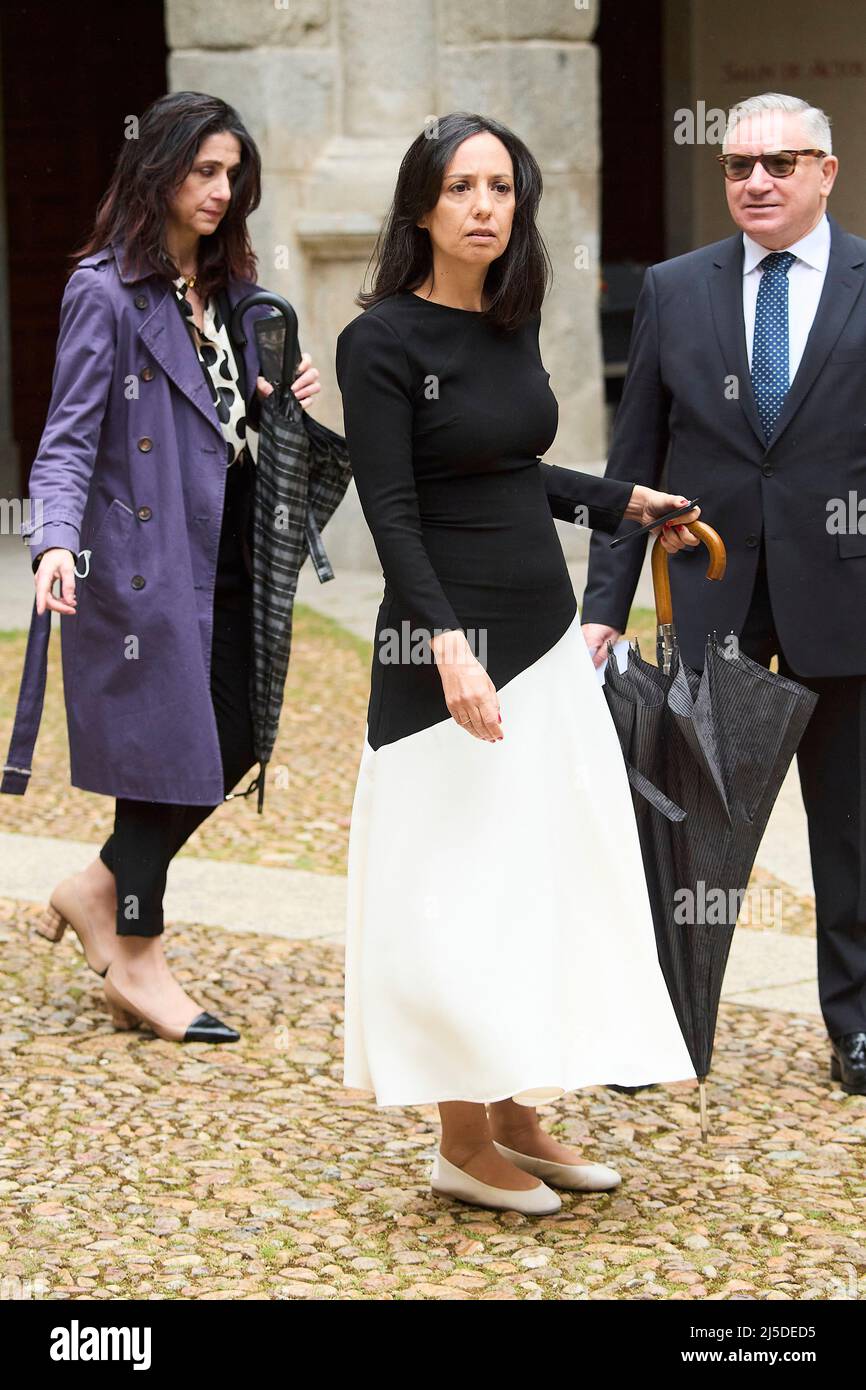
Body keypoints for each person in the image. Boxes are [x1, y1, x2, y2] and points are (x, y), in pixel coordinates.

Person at [334, 111, 699, 1217]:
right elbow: (392, 511)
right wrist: (444, 647)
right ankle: (457, 1134)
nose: (485, 206)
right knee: (452, 890)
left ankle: (516, 1110)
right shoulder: (378, 342)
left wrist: (618, 500)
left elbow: (511, 467)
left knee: (540, 877)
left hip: (542, 648)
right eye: (461, 188)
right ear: (419, 209)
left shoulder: (510, 316)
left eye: (500, 187)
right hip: (444, 662)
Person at [2, 92, 321, 1043]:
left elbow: (234, 429)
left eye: (232, 174)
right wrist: (55, 539)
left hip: (230, 553)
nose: (220, 191)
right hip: (143, 562)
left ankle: (97, 886)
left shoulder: (240, 297)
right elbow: (66, 440)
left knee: (233, 740)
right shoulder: (105, 289)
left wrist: (279, 400)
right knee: (168, 757)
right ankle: (137, 952)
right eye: (202, 171)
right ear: (159, 173)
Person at [581, 92, 866, 1096]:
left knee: (852, 825)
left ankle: (856, 1027)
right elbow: (634, 457)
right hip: (708, 593)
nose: (754, 181)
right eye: (738, 166)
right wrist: (601, 607)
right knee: (684, 825)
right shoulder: (673, 287)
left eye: (779, 164)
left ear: (824, 172)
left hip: (847, 600)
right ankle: (658, 1021)